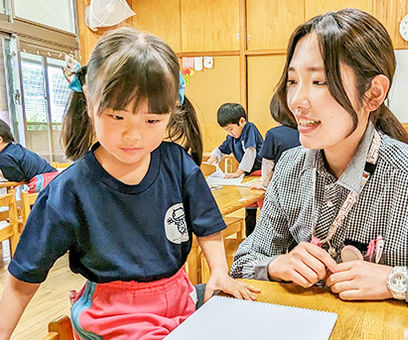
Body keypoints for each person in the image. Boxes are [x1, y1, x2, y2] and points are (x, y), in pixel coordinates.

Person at [231, 9, 408, 320]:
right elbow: (243, 260)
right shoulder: (290, 166)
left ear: (374, 93)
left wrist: (398, 282)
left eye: (319, 81)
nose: (296, 99)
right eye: (293, 80)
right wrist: (276, 265)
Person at [0, 27, 258, 340]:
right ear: (91, 102)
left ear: (171, 111)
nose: (133, 135)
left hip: (179, 296)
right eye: (117, 117)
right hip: (113, 314)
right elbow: (21, 281)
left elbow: (205, 223)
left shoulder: (176, 163)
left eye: (151, 121)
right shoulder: (69, 190)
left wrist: (219, 271)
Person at [207, 103, 264, 236]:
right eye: (226, 130)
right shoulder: (231, 137)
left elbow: (251, 151)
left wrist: (239, 172)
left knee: (264, 210)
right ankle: (249, 241)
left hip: (260, 174)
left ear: (242, 121)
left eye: (231, 129)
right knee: (249, 209)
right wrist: (214, 157)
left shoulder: (250, 129)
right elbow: (221, 149)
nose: (229, 133)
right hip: (248, 177)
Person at [252, 94, 300, 190]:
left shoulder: (273, 134)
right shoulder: (307, 133)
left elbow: (268, 165)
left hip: (282, 188)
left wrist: (264, 184)